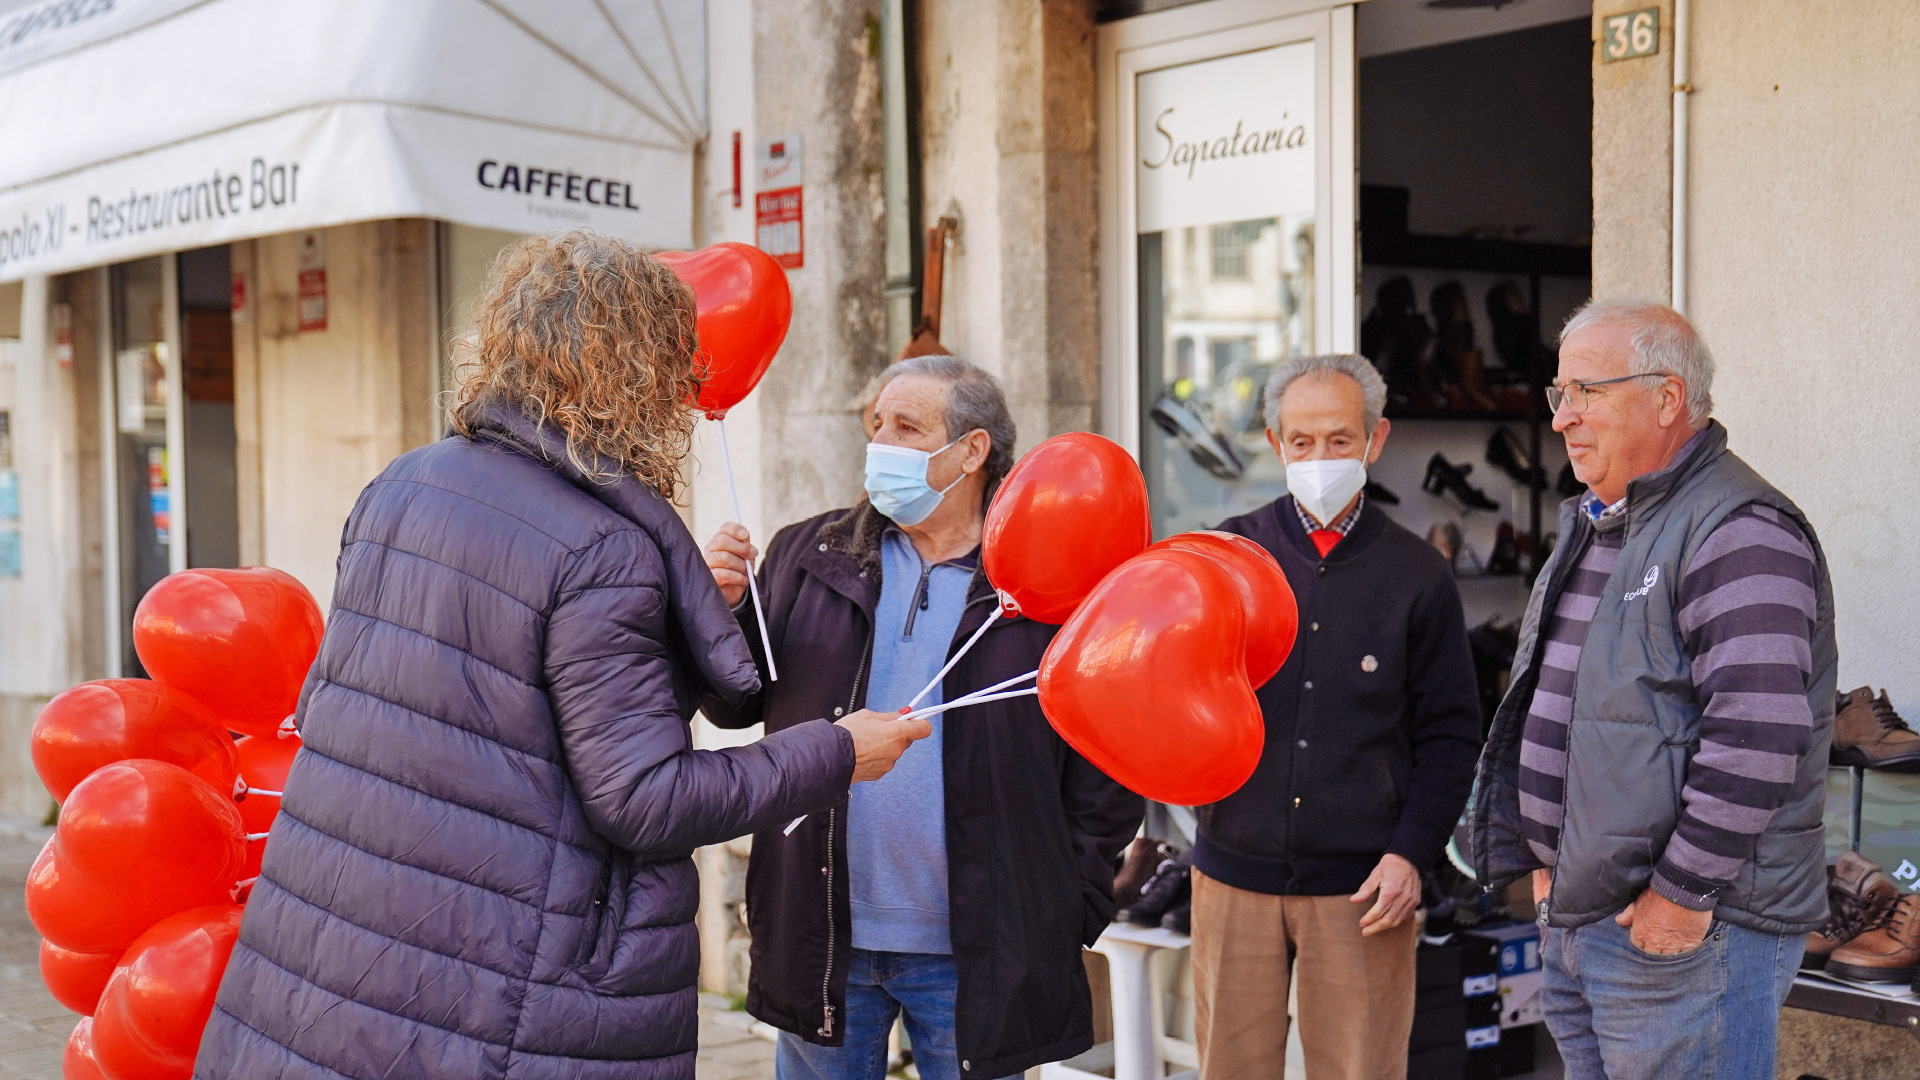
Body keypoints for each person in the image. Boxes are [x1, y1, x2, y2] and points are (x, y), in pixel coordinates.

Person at [194, 232, 929, 1080]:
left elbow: (369, 706)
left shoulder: (403, 483)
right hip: (509, 980)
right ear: (635, 371)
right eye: (673, 369)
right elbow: (646, 800)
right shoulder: (601, 545)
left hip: (338, 951)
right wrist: (838, 751)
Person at [701, 354, 1143, 1080]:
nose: (880, 443)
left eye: (907, 427)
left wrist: (1070, 903)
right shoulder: (807, 553)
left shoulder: (1045, 586)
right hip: (825, 936)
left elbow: (1106, 763)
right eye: (875, 424)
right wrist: (726, 612)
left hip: (978, 953)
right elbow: (737, 703)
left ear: (972, 451)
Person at [1470, 299, 1834, 1080]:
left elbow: (1760, 736)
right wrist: (1550, 871)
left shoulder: (1738, 530)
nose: (1563, 418)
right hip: (1587, 916)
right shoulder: (1602, 521)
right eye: (1558, 394)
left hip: (1683, 934)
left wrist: (1681, 896)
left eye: (1587, 393)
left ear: (1668, 398)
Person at [1194, 353, 1482, 1080]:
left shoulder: (1418, 575)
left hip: (1366, 890)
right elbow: (1182, 697)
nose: (1319, 457)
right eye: (1302, 441)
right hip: (1233, 878)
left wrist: (1410, 854)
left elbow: (1451, 734)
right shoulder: (1229, 553)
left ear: (1375, 440)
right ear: (1274, 443)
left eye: (1339, 440)